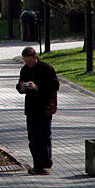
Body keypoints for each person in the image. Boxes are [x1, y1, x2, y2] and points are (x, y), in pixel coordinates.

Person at [16, 47, 60, 175]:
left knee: (44, 136)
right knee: (33, 137)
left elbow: (54, 86)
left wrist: (37, 87)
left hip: (45, 107)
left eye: (30, 61)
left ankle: (46, 164)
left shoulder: (47, 68)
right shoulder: (24, 70)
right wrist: (22, 87)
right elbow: (19, 86)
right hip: (31, 107)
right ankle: (37, 164)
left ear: (36, 57)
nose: (28, 64)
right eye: (26, 62)